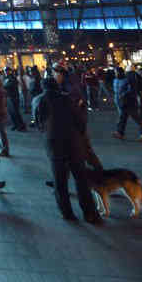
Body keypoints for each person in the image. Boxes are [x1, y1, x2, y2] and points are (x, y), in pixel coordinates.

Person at [33, 76, 101, 223]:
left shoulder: (37, 100)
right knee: (80, 178)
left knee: (59, 180)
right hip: (72, 142)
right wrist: (80, 134)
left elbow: (38, 124)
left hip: (53, 144)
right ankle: (89, 212)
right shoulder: (67, 99)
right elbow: (80, 120)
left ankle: (66, 212)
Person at [112, 64, 142, 141]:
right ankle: (120, 132)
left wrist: (123, 95)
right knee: (122, 118)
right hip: (122, 102)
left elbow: (131, 90)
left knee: (136, 118)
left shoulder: (127, 79)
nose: (115, 74)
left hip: (129, 102)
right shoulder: (116, 80)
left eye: (116, 72)